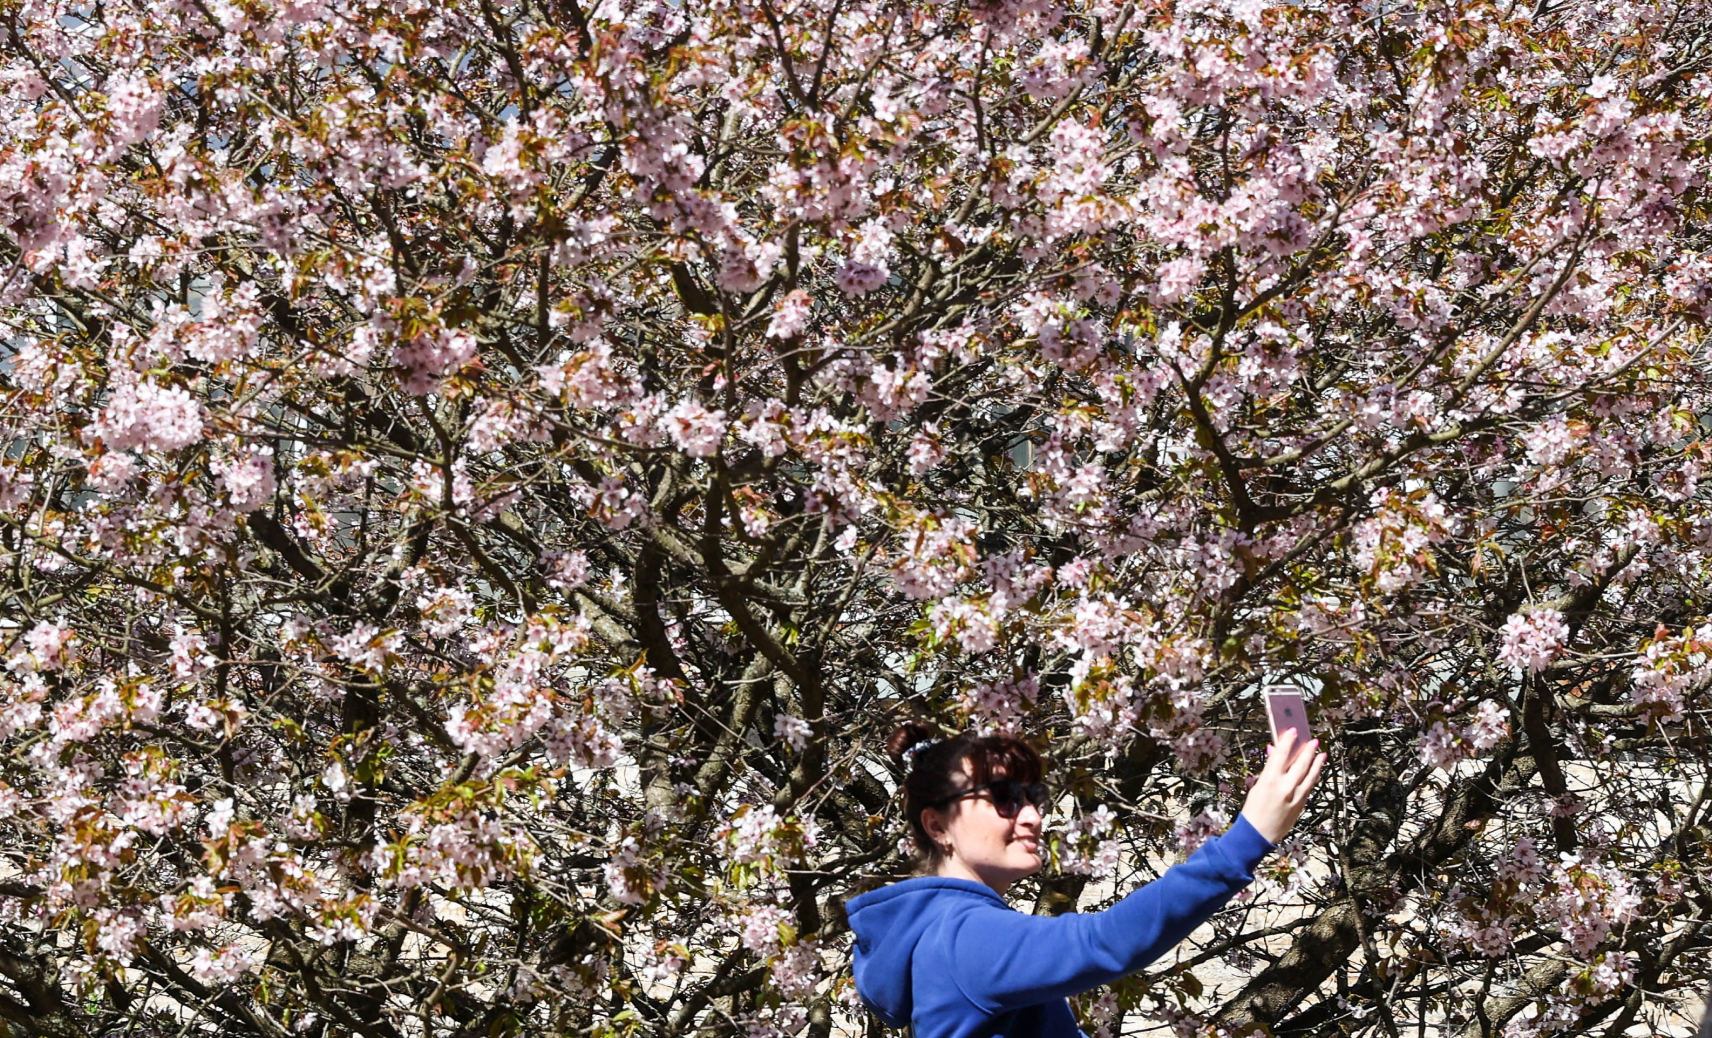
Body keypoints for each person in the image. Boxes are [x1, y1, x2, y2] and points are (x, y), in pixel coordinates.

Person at [845, 721, 1327, 1038]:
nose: (1032, 815)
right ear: (937, 826)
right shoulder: (964, 937)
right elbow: (1106, 940)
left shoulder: (942, 933)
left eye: (1035, 796)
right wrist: (1249, 836)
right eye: (1004, 797)